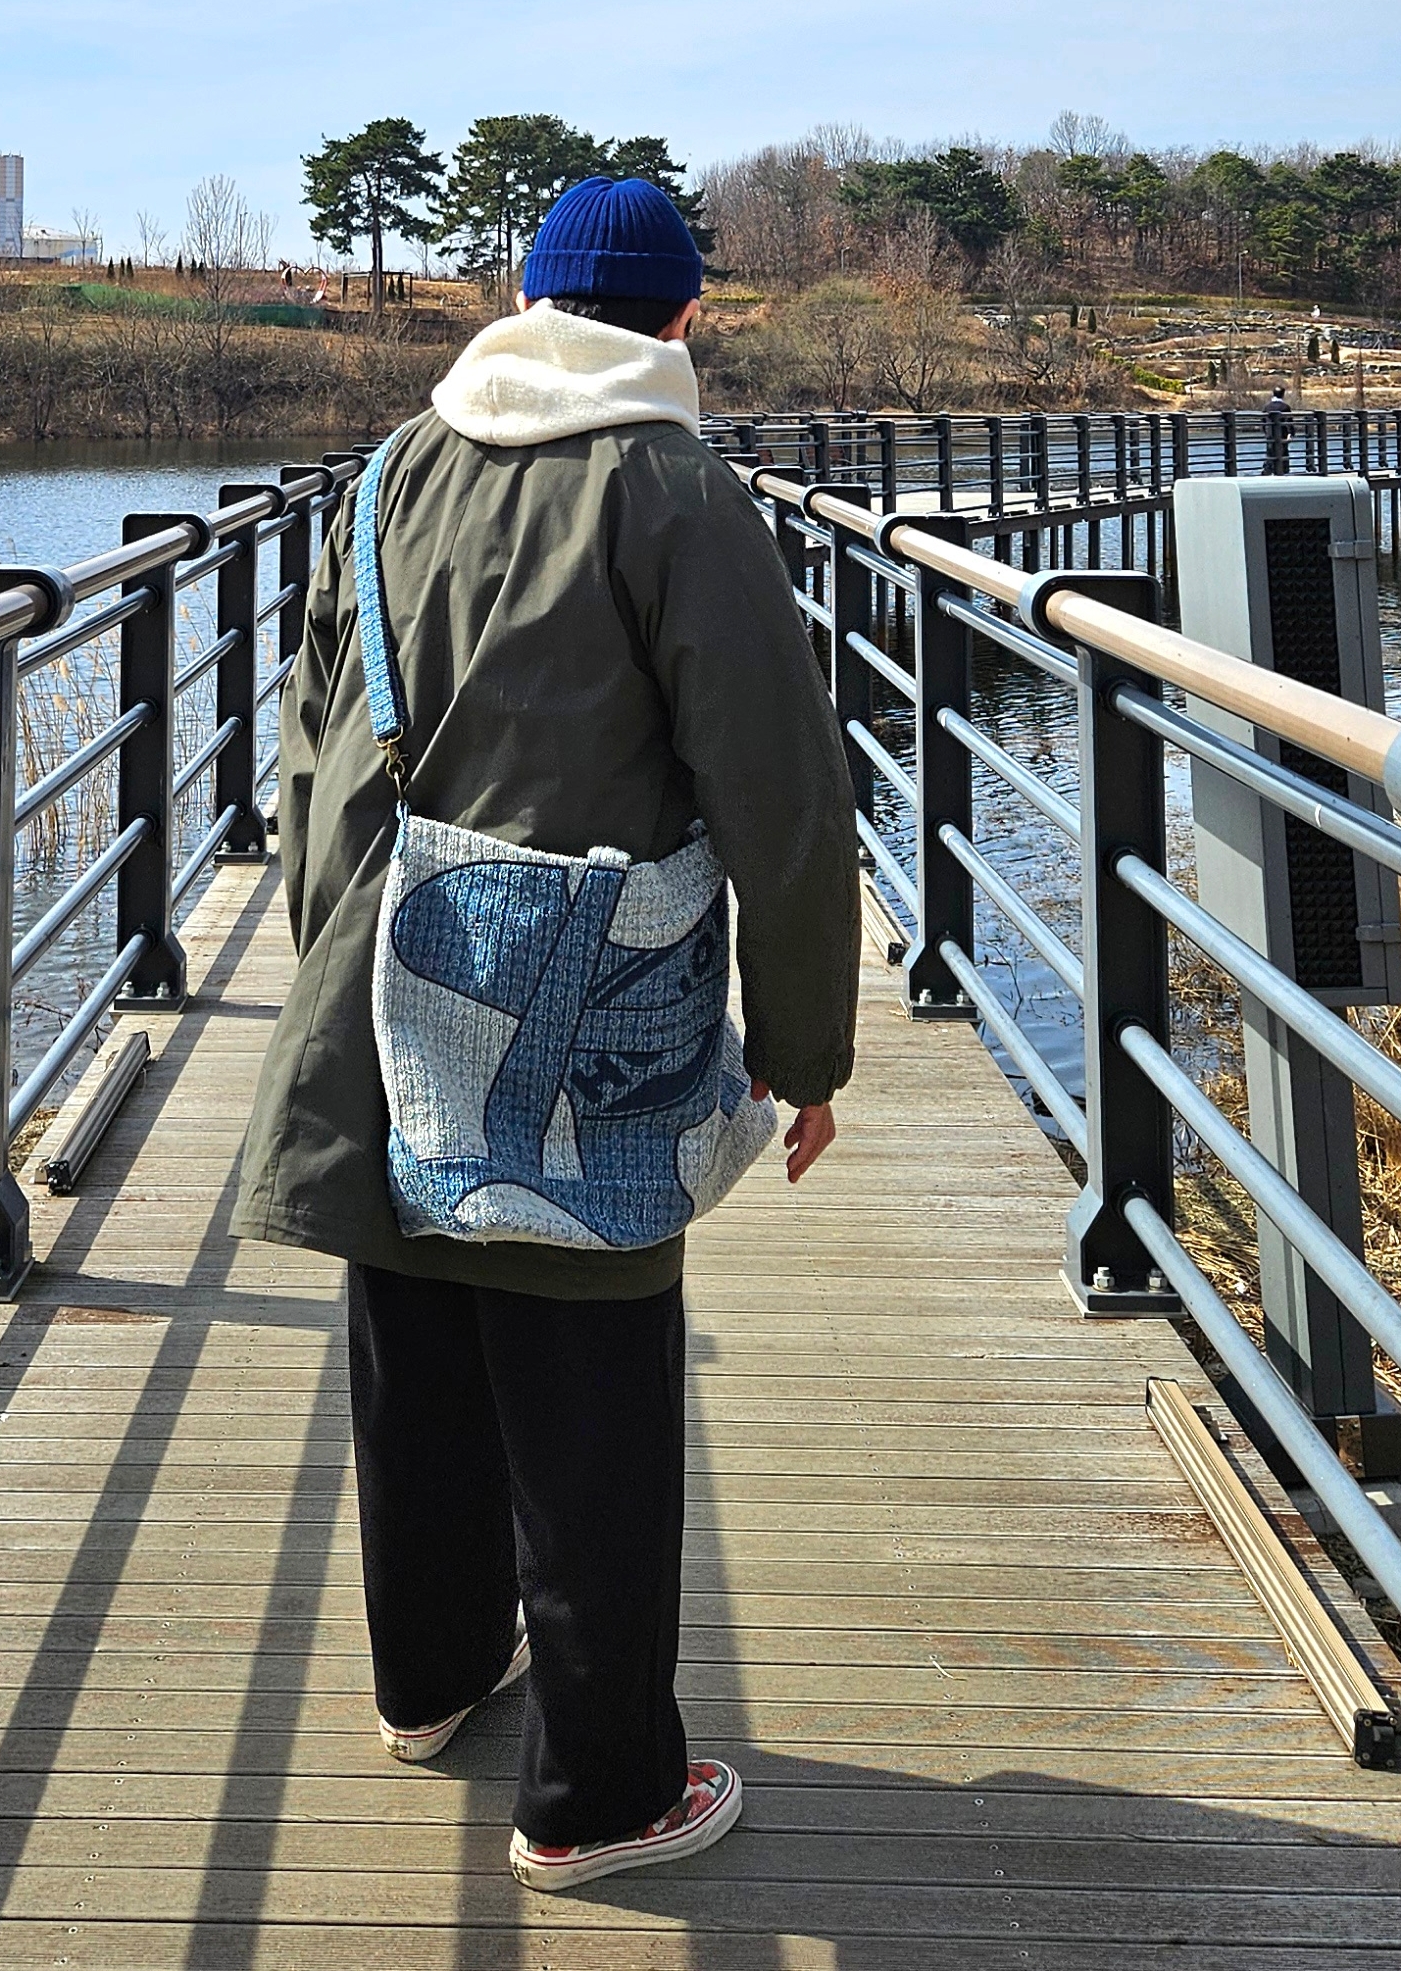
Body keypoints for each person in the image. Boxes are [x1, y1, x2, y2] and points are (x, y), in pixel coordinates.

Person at [231, 175, 860, 1890]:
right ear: (680, 318)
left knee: (414, 1340)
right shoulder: (675, 488)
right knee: (588, 1383)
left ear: (517, 299)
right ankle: (599, 1796)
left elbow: (307, 750)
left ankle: (430, 1680)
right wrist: (804, 1047)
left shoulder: (392, 471)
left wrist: (342, 973)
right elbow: (781, 794)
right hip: (581, 1014)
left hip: (384, 978)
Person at [1264, 382, 1293, 474]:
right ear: (1283, 395)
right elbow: (1289, 421)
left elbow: (1263, 421)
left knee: (1270, 452)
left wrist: (1266, 431)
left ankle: (1268, 470)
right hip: (1282, 434)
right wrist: (1290, 433)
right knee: (1283, 452)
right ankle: (1283, 470)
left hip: (1270, 433)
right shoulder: (1285, 407)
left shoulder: (1267, 407)